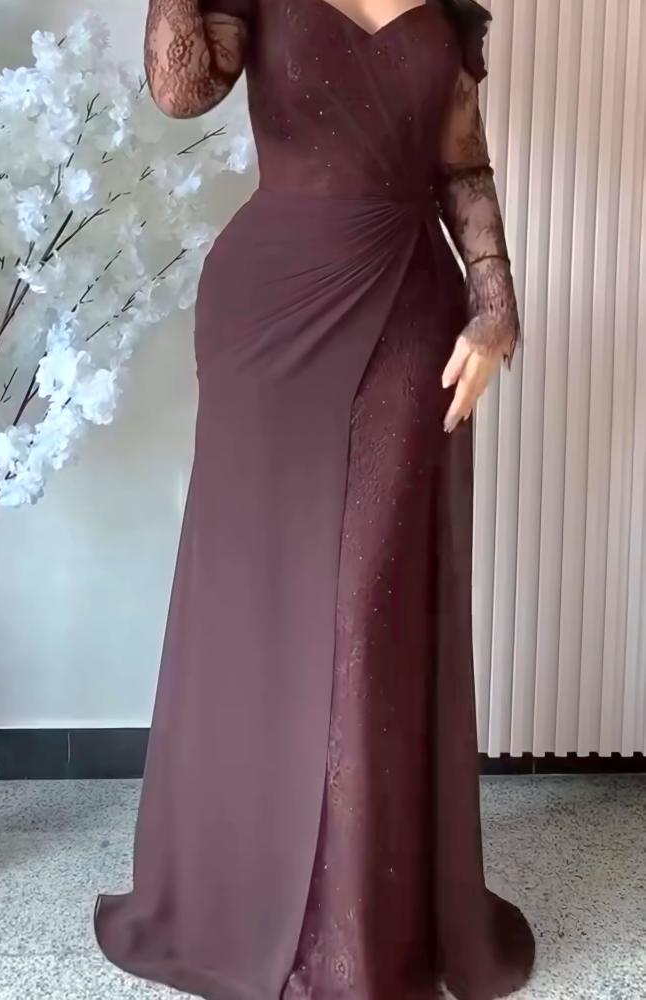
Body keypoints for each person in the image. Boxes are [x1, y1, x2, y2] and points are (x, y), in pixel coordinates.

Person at [95, 1, 536, 997]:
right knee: (263, 600)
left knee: (367, 609)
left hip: (410, 312)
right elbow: (180, 89)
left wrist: (496, 301)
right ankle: (246, 891)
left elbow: (460, 163)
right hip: (271, 312)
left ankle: (356, 928)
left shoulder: (446, 8)